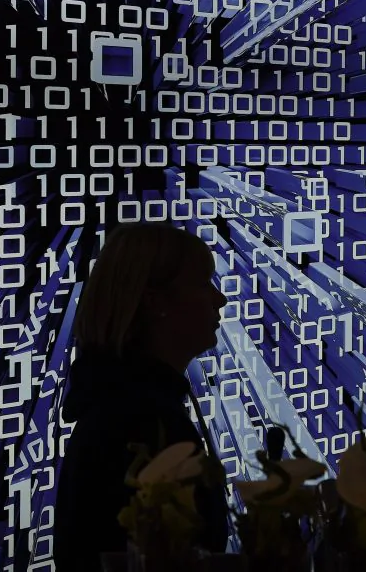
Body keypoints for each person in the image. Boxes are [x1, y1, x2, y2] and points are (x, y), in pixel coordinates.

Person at [53, 223, 231, 571]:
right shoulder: (142, 426)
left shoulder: (116, 409)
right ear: (154, 301)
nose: (218, 299)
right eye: (202, 283)